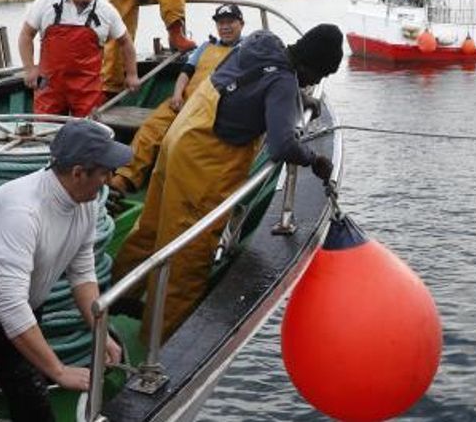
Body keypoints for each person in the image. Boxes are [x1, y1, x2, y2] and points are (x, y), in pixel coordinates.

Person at [113, 24, 344, 340]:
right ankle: (159, 341)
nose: (317, 82)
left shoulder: (263, 40)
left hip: (181, 133)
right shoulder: (283, 81)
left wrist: (296, 99)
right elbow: (282, 145)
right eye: (320, 74)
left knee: (152, 225)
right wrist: (314, 160)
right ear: (310, 64)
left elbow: (252, 83)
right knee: (188, 251)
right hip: (204, 158)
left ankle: (121, 293)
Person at [0, 121, 131, 421]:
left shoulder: (84, 202)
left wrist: (101, 333)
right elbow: (9, 306)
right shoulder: (22, 213)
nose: (110, 180)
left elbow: (83, 273)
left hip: (21, 308)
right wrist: (59, 371)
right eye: (105, 172)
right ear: (78, 173)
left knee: (33, 402)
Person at [109, 3, 246, 195]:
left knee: (184, 141)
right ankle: (124, 178)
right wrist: (176, 94)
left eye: (230, 22)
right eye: (221, 23)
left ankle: (172, 189)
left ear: (241, 23)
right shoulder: (206, 47)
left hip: (212, 106)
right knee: (150, 129)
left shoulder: (249, 48)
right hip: (184, 100)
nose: (225, 27)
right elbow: (185, 73)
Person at [19, 0, 138, 117]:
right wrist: (29, 69)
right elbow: (26, 36)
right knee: (45, 131)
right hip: (50, 87)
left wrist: (131, 74)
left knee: (88, 133)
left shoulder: (107, 11)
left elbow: (126, 42)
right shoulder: (46, 1)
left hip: (87, 90)